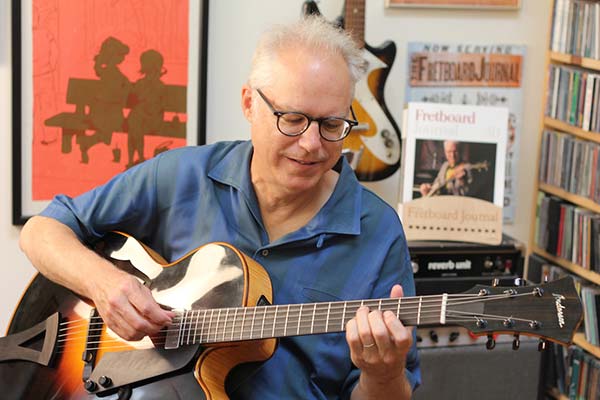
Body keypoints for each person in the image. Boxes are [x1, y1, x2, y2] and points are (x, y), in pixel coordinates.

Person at [20, 16, 420, 399]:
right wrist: (103, 284)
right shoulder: (181, 176)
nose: (312, 144)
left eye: (332, 125)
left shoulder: (378, 232)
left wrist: (382, 374)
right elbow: (43, 231)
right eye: (293, 119)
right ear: (249, 104)